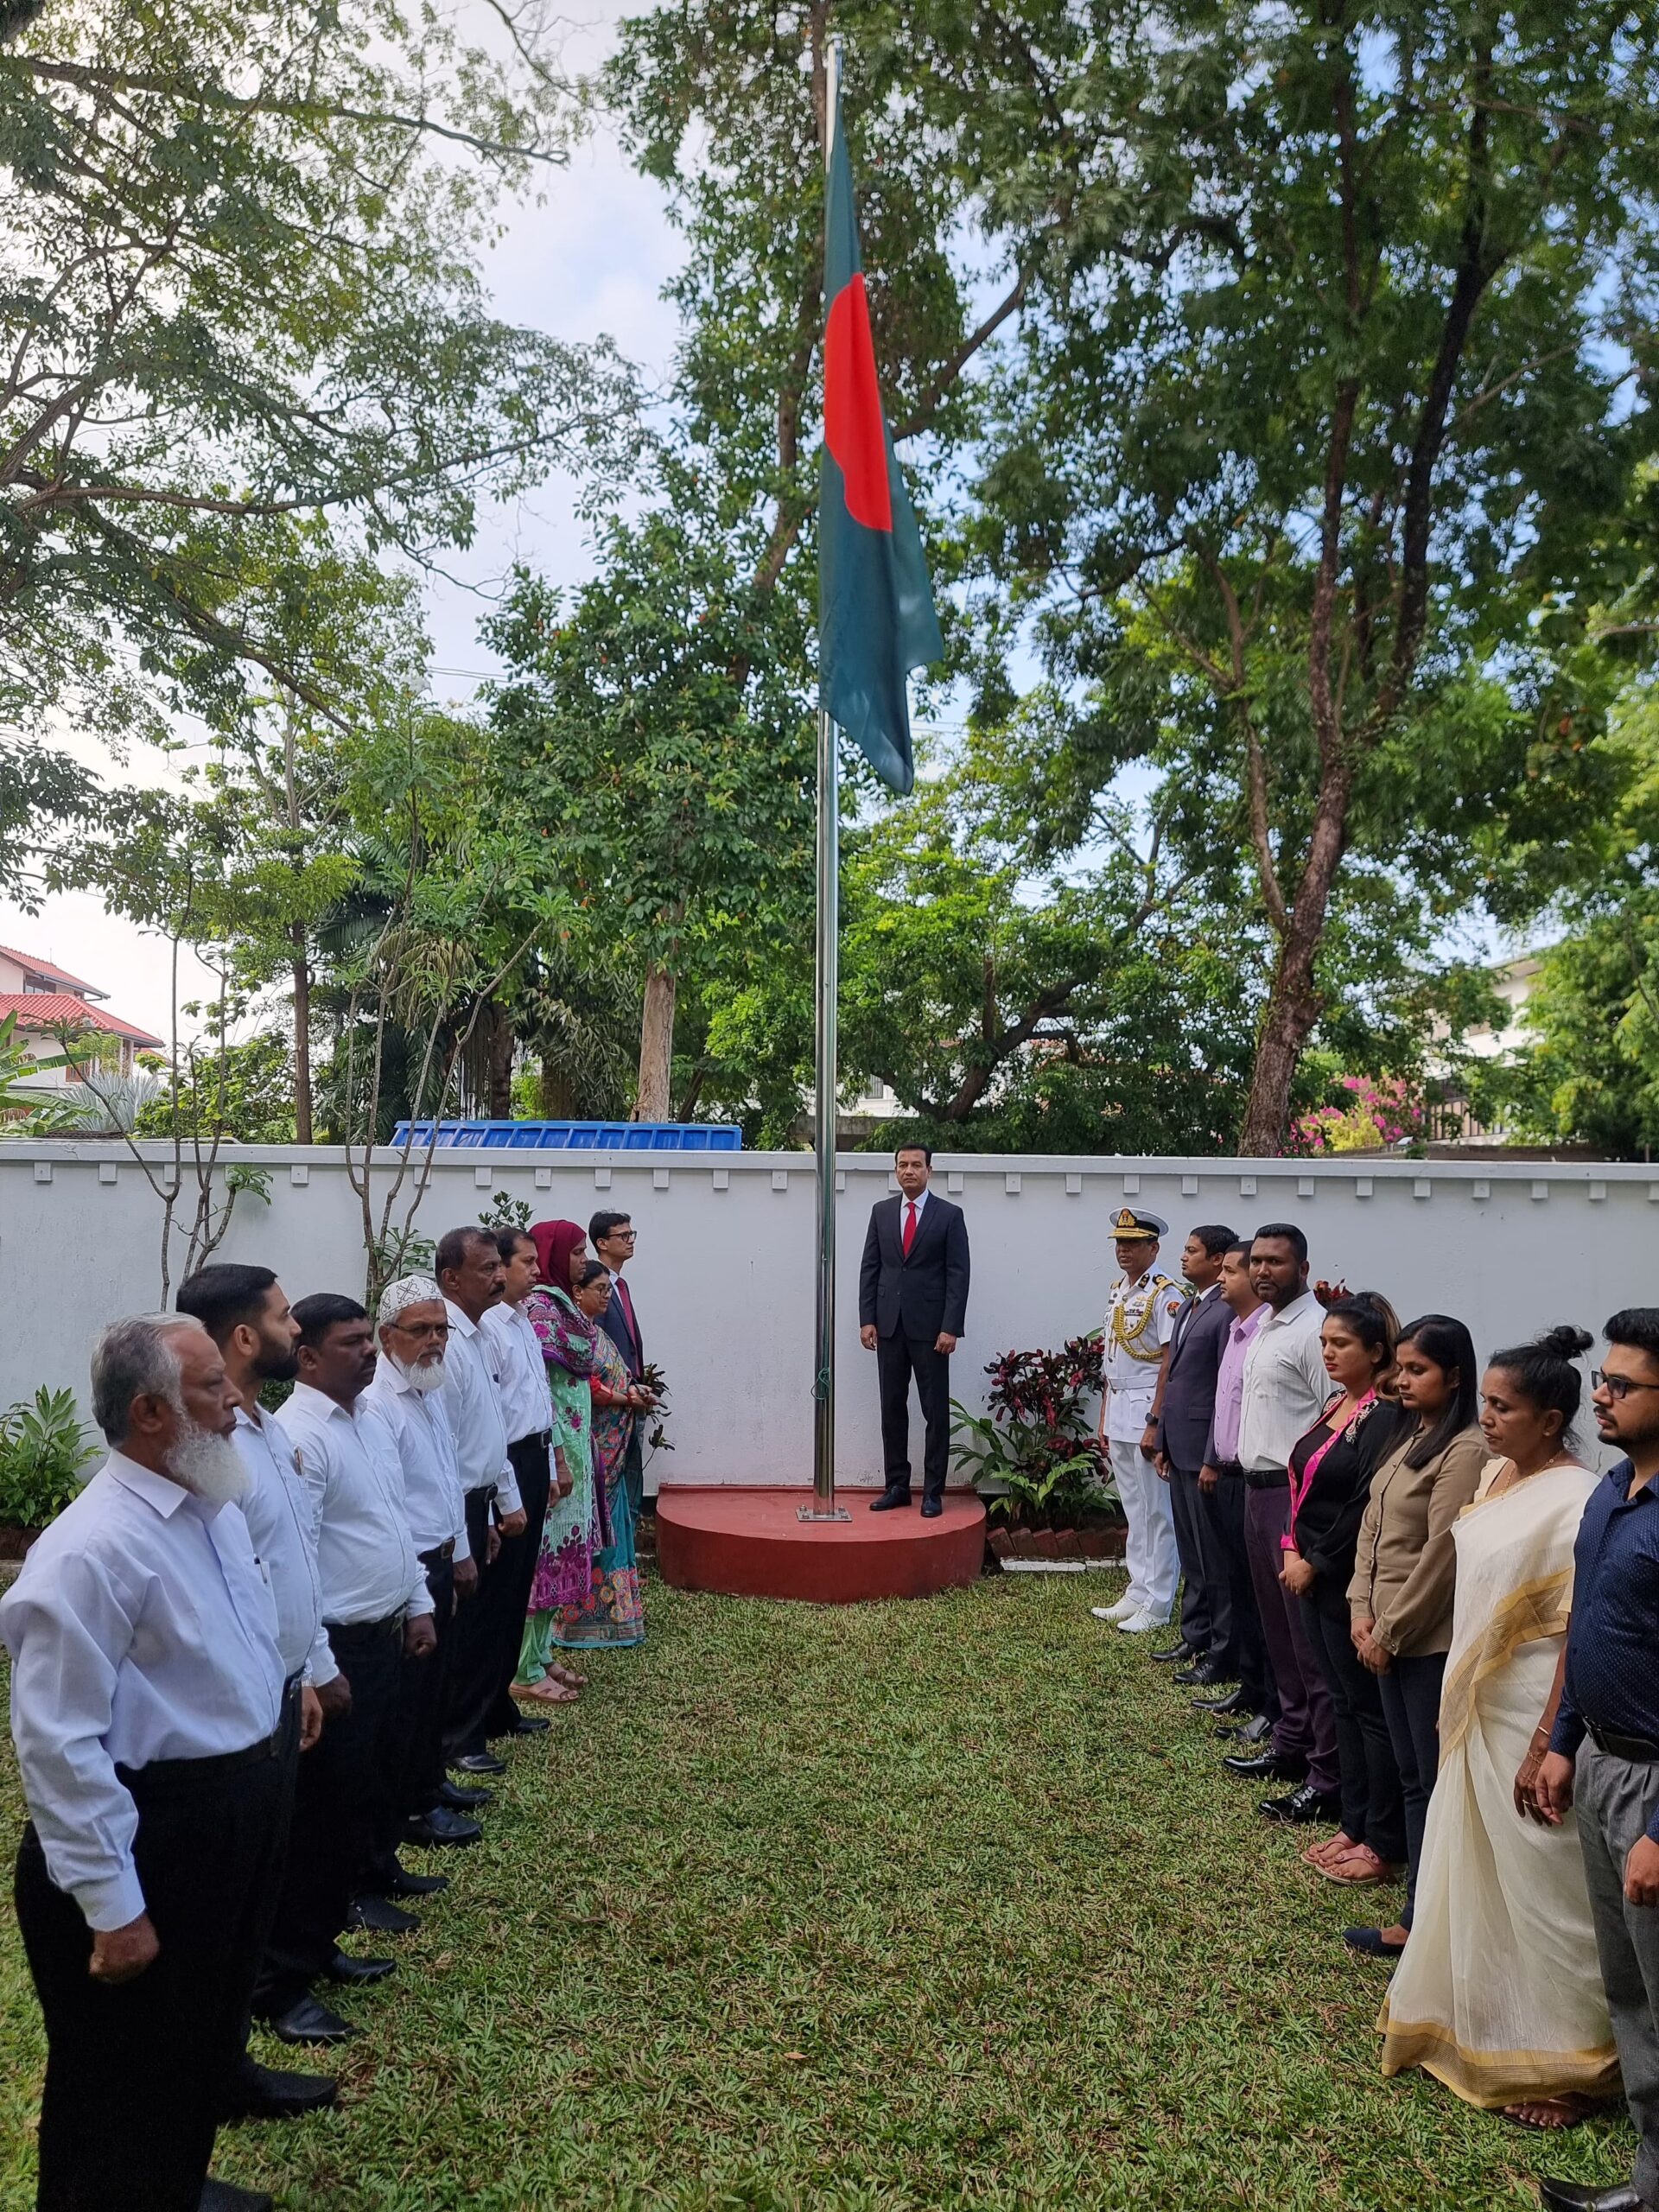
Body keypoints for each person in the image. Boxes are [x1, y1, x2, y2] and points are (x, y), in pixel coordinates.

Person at [1, 1313, 288, 2212]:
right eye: (212, 1386)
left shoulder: (209, 1505)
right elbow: (58, 1744)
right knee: (115, 2084)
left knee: (191, 2049)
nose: (236, 1400)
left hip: (223, 1818)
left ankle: (174, 2188)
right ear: (150, 1413)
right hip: (151, 1836)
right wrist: (114, 1907)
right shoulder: (90, 1550)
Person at [1380, 1325, 1614, 2130]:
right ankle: (1485, 2020)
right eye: (1485, 1402)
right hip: (1476, 1704)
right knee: (1478, 1868)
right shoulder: (1498, 1474)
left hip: (1531, 1713)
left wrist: (1551, 1738)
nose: (1487, 1418)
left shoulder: (1579, 1498)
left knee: (1547, 1887)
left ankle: (1576, 2064)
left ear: (1551, 1420)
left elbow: (1579, 1628)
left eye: (1503, 1408)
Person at [174, 1263, 340, 2125]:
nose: (295, 1328)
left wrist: (302, 1670)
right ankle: (208, 2076)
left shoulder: (263, 1428)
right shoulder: (203, 1452)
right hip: (228, 1715)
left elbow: (288, 1558)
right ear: (244, 1336)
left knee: (259, 1886)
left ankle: (230, 2063)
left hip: (276, 1687)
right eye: (282, 1317)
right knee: (220, 1908)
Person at [257, 1294, 436, 2048]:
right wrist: (320, 1668)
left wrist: (418, 1601)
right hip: (337, 1648)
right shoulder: (300, 1435)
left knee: (361, 1794)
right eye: (351, 1343)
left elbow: (396, 1521)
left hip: (384, 1631)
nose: (369, 1352)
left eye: (370, 1339)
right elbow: (294, 1560)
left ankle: (320, 1940)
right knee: (320, 1814)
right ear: (306, 1358)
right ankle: (279, 1983)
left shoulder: (369, 1418)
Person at [1532, 1309, 1659, 2212]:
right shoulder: (1613, 1490)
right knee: (1632, 1991)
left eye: (1621, 1384)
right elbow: (1591, 1628)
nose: (1600, 1395)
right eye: (1601, 1379)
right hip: (1604, 1764)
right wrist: (1565, 1740)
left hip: (1654, 1786)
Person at [1344, 1315, 1486, 1958]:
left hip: (1423, 1642)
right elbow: (1373, 1527)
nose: (1402, 1380)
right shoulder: (1413, 1434)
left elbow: (1441, 1554)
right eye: (1400, 1368)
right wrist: (1360, 1609)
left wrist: (1390, 1631)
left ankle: (1422, 1921)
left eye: (1417, 1370)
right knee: (1411, 1776)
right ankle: (1418, 1910)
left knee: (1431, 1782)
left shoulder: (1464, 1449)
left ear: (1454, 1376)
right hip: (1382, 1629)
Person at [1279, 1296, 1413, 1886]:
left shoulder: (1384, 1417)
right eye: (1325, 1343)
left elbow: (1362, 1506)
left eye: (1341, 1344)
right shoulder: (1339, 1403)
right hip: (1312, 1573)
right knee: (1342, 1703)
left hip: (1347, 1580)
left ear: (1378, 1353)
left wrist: (1316, 1562)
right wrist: (1290, 1546)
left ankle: (1382, 1839)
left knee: (1368, 1711)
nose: (1328, 1353)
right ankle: (1353, 1823)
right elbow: (1302, 1482)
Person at [363, 1274, 480, 1899]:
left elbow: (446, 1475)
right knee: (407, 1703)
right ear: (388, 1337)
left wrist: (460, 1549)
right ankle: (411, 1808)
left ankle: (429, 1787)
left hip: (440, 1556)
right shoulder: (379, 1404)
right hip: (408, 1570)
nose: (435, 1340)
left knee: (434, 1689)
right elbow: (390, 1506)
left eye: (441, 1329)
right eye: (421, 1330)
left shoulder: (428, 1386)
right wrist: (419, 1587)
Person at [1225, 1223, 1344, 1824]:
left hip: (1292, 1497)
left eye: (1276, 1261)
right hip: (1256, 1489)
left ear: (1303, 1268)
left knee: (1306, 1640)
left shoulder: (1313, 1333)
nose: (1263, 1271)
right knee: (1278, 1630)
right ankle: (1291, 1741)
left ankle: (1326, 1774)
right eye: (1257, 1261)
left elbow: (1337, 1420)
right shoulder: (1266, 1327)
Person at [435, 1226, 537, 1778]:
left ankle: (487, 1713)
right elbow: (447, 1445)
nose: (500, 1276)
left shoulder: (476, 1334)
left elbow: (489, 1426)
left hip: (484, 1495)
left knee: (496, 1612)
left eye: (501, 1265)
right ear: (451, 1279)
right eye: (487, 1268)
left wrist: (503, 1501)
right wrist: (469, 1523)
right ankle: (460, 1735)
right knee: (469, 1623)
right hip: (458, 1502)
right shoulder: (449, 1343)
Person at [1191, 1243, 1276, 1745]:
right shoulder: (1237, 1331)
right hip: (1225, 1472)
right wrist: (1210, 1459)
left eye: (1230, 1270)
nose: (1222, 1278)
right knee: (1239, 1588)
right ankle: (1250, 1685)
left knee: (1261, 1598)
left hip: (1256, 1479)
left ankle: (1273, 1703)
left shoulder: (1270, 1334)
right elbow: (1222, 1406)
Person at [859, 1142, 971, 1518]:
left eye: (916, 1165)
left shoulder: (949, 1215)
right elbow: (871, 1267)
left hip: (931, 1330)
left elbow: (958, 1274)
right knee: (892, 1408)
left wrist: (950, 1327)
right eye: (903, 1165)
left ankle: (933, 1491)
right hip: (889, 1326)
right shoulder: (881, 1212)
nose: (909, 1170)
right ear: (896, 1170)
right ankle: (897, 1486)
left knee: (934, 1411)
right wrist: (867, 1318)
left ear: (929, 1171)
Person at [515, 1224, 602, 1697]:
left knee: (561, 1558)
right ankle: (524, 1667)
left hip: (574, 1447)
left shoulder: (562, 1304)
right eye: (576, 1251)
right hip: (555, 1449)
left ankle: (543, 1653)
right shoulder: (540, 1308)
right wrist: (558, 1458)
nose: (582, 1260)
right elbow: (540, 1389)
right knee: (543, 1558)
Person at [1151, 1224, 1239, 1680]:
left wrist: (1211, 1457)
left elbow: (1224, 1389)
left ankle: (1222, 1651)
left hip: (1206, 1452)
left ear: (1218, 1259)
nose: (1183, 1257)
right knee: (1191, 1552)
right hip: (1179, 1446)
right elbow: (1175, 1377)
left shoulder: (1225, 1312)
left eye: (1192, 1250)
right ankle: (1195, 1634)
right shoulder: (1188, 1305)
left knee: (1213, 1557)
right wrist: (1162, 1439)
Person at [1093, 1209, 1185, 1632]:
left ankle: (1160, 1601)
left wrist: (1155, 1421)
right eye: (1119, 1243)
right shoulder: (1120, 1291)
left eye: (1132, 1243)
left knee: (1157, 1510)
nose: (1123, 1250)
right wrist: (1104, 1415)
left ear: (1154, 1247)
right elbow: (1112, 1360)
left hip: (1147, 1407)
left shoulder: (1166, 1294)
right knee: (1134, 1507)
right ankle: (1138, 1589)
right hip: (1119, 1406)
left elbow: (1169, 1362)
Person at [480, 1227, 557, 1729]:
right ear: (499, 1268)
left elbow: (537, 1403)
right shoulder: (488, 1329)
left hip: (533, 1457)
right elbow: (495, 1420)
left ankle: (500, 1704)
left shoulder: (523, 1320)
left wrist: (549, 1468)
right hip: (505, 1464)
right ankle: (479, 1709)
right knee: (498, 1591)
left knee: (517, 1588)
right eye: (526, 1263)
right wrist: (508, 1492)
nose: (536, 1271)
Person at [561, 1275, 649, 1649]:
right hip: (594, 1451)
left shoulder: (596, 1333)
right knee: (596, 1527)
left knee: (615, 1526)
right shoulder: (572, 1335)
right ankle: (582, 1621)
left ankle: (619, 1618)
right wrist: (627, 1400)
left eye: (608, 1289)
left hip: (613, 1450)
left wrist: (635, 1390)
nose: (606, 1295)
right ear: (577, 1292)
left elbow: (617, 1375)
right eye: (599, 1289)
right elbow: (587, 1387)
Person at [591, 1208, 652, 1522]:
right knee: (613, 1482)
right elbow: (597, 1348)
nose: (630, 1240)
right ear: (602, 1243)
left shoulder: (620, 1286)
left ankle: (626, 1535)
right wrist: (621, 1393)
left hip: (632, 1393)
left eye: (632, 1234)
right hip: (611, 1403)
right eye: (623, 1235)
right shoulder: (597, 1287)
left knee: (630, 1474)